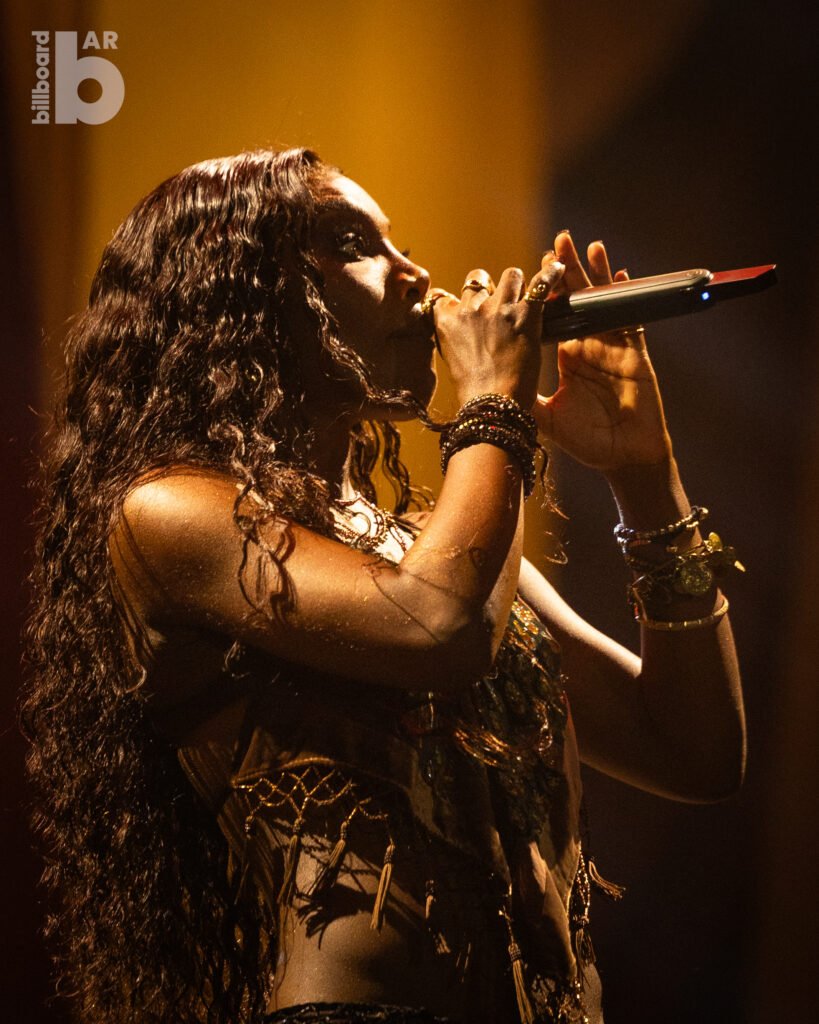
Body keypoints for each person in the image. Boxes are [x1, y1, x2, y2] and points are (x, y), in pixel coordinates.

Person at [22, 147, 746, 1024]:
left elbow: (691, 751)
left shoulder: (443, 556)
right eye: (353, 243)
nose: (416, 275)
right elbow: (436, 628)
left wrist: (643, 474)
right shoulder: (170, 513)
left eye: (396, 243)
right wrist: (493, 402)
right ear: (240, 292)